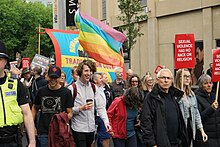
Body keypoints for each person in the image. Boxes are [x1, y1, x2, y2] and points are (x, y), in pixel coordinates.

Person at [0, 40, 36, 147]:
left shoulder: (16, 85)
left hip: (12, 140)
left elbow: (27, 114)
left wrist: (32, 142)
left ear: (6, 61)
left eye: (0, 59)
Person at [141, 68, 189, 147]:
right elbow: (146, 122)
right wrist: (152, 143)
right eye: (163, 78)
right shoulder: (151, 97)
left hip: (177, 142)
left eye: (168, 78)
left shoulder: (174, 96)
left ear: (171, 81)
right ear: (157, 80)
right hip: (161, 143)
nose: (166, 80)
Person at [68, 60, 111, 147]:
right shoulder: (72, 88)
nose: (89, 73)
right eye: (86, 71)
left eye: (91, 71)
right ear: (81, 72)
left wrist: (106, 122)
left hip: (91, 128)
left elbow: (100, 107)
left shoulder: (94, 87)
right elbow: (67, 110)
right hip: (78, 127)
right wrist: (80, 108)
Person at [32, 65, 73, 146]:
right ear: (47, 77)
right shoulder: (41, 91)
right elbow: (34, 108)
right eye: (51, 77)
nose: (53, 80)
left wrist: (61, 119)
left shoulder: (66, 92)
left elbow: (70, 113)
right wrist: (32, 126)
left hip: (59, 132)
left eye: (55, 77)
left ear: (60, 78)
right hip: (44, 132)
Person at [175, 69, 208, 145]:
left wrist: (202, 131)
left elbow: (196, 113)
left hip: (190, 127)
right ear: (179, 78)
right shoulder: (175, 94)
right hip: (179, 129)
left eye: (189, 77)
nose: (187, 78)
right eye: (184, 76)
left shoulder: (192, 95)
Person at [194, 74, 220, 147]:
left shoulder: (215, 97)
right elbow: (198, 118)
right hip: (205, 139)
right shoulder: (196, 98)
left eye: (210, 83)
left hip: (217, 138)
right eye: (205, 83)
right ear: (201, 85)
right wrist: (211, 108)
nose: (209, 85)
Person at [92, 72, 110, 147]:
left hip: (102, 115)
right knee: (93, 138)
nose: (102, 79)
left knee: (105, 136)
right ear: (95, 80)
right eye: (100, 78)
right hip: (94, 117)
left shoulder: (103, 89)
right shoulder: (92, 89)